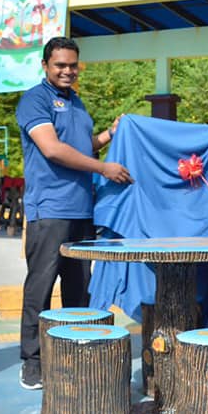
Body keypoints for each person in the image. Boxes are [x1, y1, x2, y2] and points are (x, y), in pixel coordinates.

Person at [15, 36, 133, 390]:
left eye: (72, 65)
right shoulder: (34, 100)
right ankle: (32, 362)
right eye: (60, 65)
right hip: (49, 209)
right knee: (41, 286)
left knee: (79, 290)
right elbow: (52, 150)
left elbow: (82, 146)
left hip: (82, 210)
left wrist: (109, 134)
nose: (67, 71)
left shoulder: (77, 103)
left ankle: (73, 351)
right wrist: (102, 168)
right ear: (45, 66)